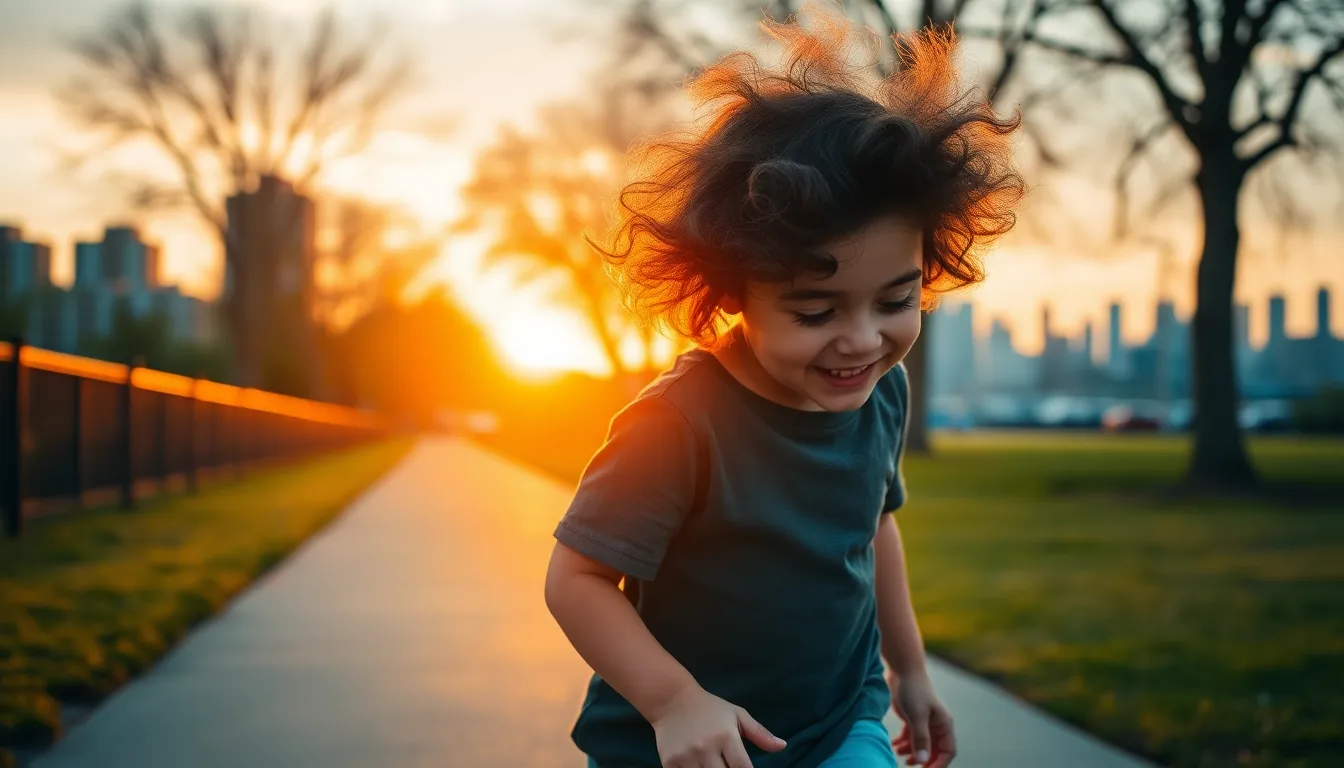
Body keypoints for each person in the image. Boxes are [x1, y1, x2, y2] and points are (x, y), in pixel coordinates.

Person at [544, 6, 1023, 767]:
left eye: (896, 301)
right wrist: (674, 702)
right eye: (815, 309)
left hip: (839, 721)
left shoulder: (880, 393)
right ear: (733, 290)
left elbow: (873, 527)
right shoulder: (677, 425)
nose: (863, 341)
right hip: (687, 745)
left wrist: (912, 671)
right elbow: (577, 578)